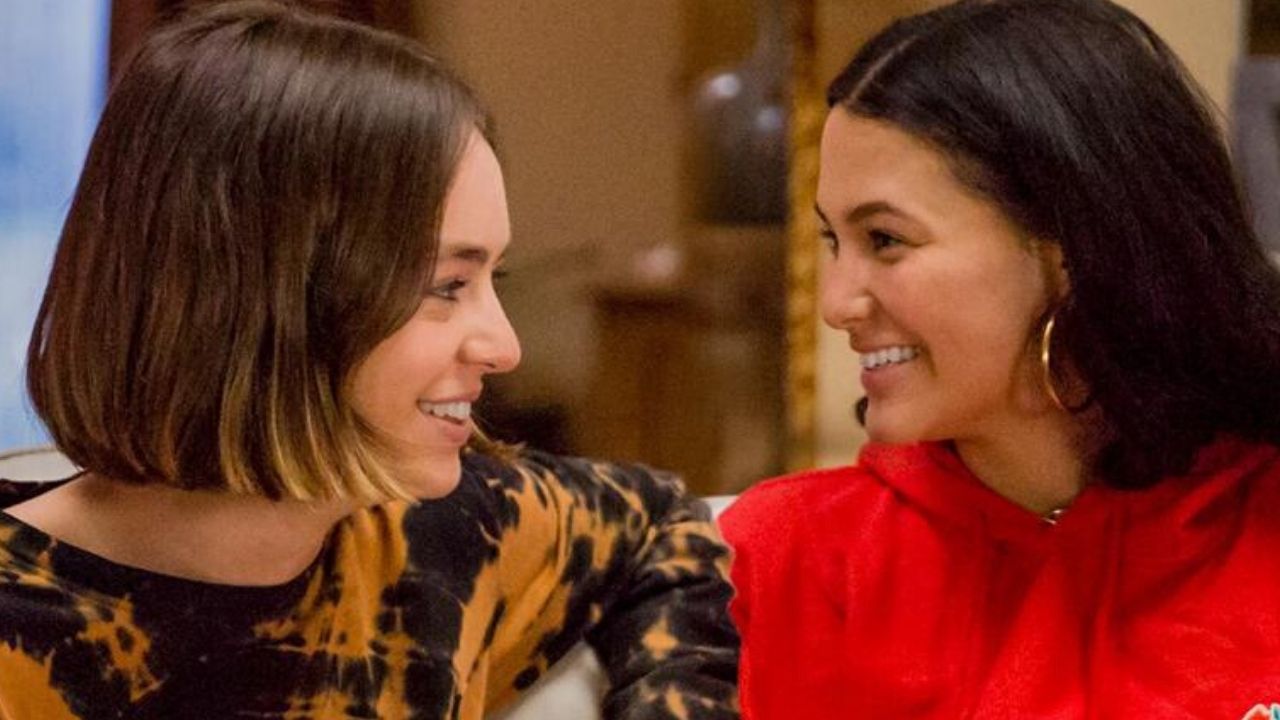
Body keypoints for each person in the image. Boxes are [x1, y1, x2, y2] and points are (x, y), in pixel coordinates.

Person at [0, 3, 739, 718]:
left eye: (492, 279)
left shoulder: (433, 537)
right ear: (258, 302)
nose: (504, 347)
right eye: (445, 286)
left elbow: (660, 526)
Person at [719, 0, 1280, 717]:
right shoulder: (771, 562)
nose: (836, 303)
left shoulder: (1258, 526)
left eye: (885, 239)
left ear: (1071, 247)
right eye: (834, 241)